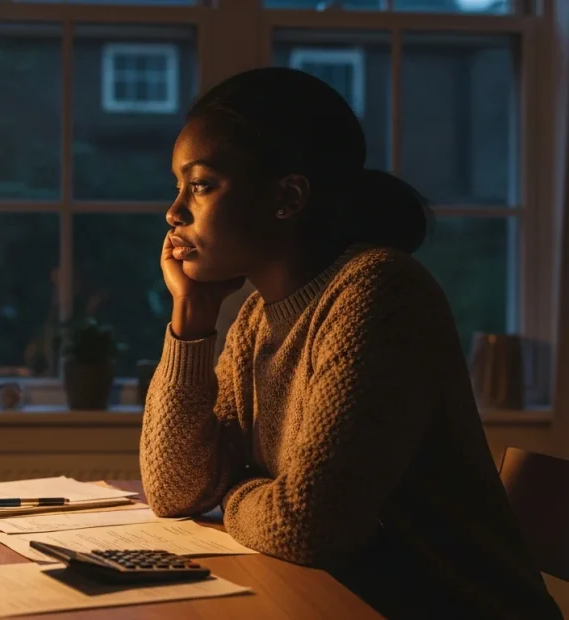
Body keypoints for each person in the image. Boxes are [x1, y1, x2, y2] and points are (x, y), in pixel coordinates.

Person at [140, 67, 562, 619]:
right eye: (178, 187)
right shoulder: (253, 323)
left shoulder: (379, 290)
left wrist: (233, 492)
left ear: (288, 196)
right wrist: (191, 320)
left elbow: (306, 527)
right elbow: (175, 490)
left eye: (199, 185)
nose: (174, 212)